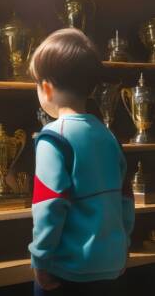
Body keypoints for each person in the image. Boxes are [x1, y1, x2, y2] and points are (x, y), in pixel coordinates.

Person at [28, 28, 135, 296]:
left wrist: (40, 260)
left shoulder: (52, 139)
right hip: (112, 267)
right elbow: (126, 200)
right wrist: (122, 248)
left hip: (67, 272)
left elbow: (49, 206)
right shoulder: (109, 136)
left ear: (47, 88)